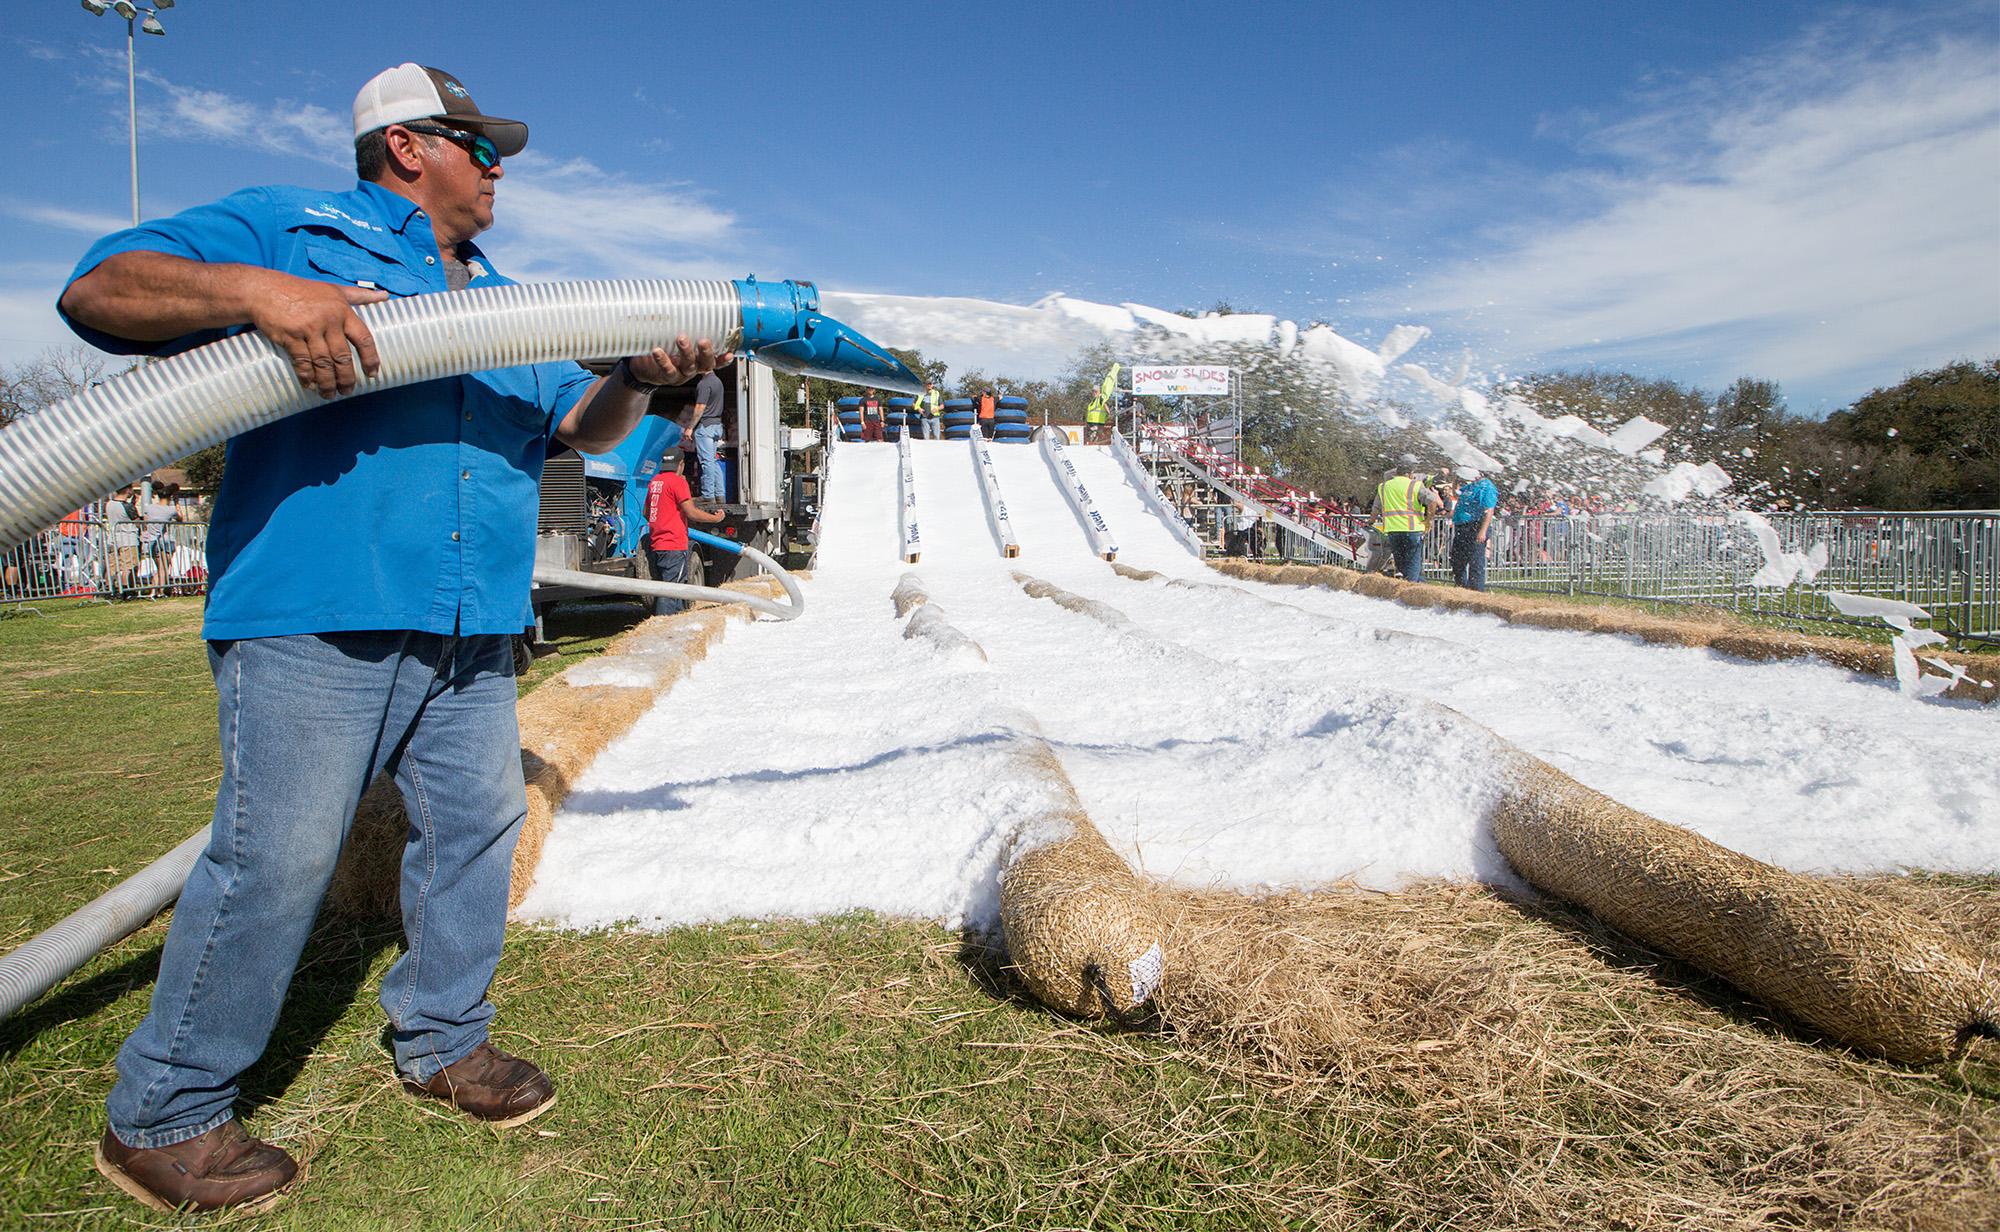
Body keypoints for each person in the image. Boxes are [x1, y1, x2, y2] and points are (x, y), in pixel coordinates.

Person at [57, 62, 729, 1213]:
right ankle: (162, 1113)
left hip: (470, 620)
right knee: (277, 854)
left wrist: (638, 379)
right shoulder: (293, 227)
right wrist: (261, 295)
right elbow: (101, 290)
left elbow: (580, 427)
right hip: (322, 603)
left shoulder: (509, 301)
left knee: (474, 829)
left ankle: (444, 1037)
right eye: (480, 143)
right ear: (407, 146)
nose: (500, 165)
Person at [643, 447, 725, 616]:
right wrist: (715, 519)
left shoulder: (655, 482)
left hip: (658, 543)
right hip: (674, 544)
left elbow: (646, 512)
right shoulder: (678, 482)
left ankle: (676, 625)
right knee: (672, 590)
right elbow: (691, 513)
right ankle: (662, 628)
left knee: (674, 589)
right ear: (680, 464)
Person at [1370, 454, 1442, 583]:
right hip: (1412, 530)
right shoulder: (1415, 485)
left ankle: (1418, 589)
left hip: (1393, 531)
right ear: (1410, 472)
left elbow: (1376, 507)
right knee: (1413, 564)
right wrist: (1428, 520)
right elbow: (1432, 501)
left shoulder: (1384, 486)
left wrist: (1370, 521)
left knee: (1402, 564)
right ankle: (1413, 591)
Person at [680, 367, 728, 502]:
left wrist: (690, 427)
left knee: (706, 462)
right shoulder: (718, 381)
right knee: (713, 461)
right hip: (717, 425)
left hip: (706, 426)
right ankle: (719, 495)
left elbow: (700, 407)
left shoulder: (704, 384)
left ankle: (708, 496)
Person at [1449, 467, 1500, 590]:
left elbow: (1489, 510)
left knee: (1475, 561)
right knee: (1457, 560)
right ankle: (1461, 586)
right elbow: (1457, 493)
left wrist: (1482, 531)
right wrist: (1455, 478)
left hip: (1476, 526)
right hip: (1462, 527)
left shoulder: (1486, 487)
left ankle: (1476, 590)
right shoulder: (1472, 485)